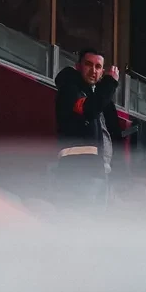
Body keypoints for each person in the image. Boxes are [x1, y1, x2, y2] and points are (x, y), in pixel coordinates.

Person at [54, 50, 127, 195]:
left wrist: (121, 175)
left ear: (102, 72)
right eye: (88, 65)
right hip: (78, 170)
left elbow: (114, 138)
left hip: (102, 173)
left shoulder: (102, 97)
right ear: (78, 66)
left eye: (98, 67)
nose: (93, 70)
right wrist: (111, 82)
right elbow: (89, 109)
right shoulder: (70, 90)